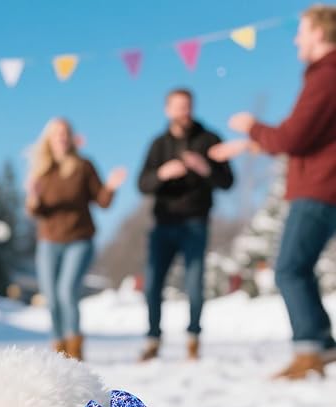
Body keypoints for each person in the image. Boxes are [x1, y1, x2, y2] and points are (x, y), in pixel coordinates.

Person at [210, 5, 336, 380]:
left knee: (289, 268)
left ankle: (309, 350)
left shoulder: (326, 76)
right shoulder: (324, 76)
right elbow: (304, 136)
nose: (296, 38)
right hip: (320, 183)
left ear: (319, 32)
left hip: (319, 187)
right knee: (298, 267)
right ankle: (322, 345)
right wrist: (244, 146)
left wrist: (251, 127)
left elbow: (293, 137)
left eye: (302, 30)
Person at [137, 89, 234, 361]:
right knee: (153, 283)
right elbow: (142, 184)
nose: (184, 112)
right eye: (179, 107)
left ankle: (193, 338)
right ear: (168, 110)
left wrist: (205, 168)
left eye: (188, 106)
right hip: (163, 222)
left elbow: (228, 182)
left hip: (196, 222)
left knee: (193, 282)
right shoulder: (158, 144)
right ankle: (153, 339)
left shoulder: (209, 139)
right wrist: (161, 174)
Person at [26, 118, 126, 361]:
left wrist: (111, 186)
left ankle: (75, 347)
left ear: (71, 137)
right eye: (56, 133)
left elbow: (102, 202)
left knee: (66, 290)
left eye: (65, 132)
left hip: (79, 239)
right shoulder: (42, 171)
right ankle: (59, 346)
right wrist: (34, 198)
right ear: (49, 139)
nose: (61, 137)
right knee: (51, 296)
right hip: (49, 241)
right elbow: (35, 212)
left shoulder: (83, 166)